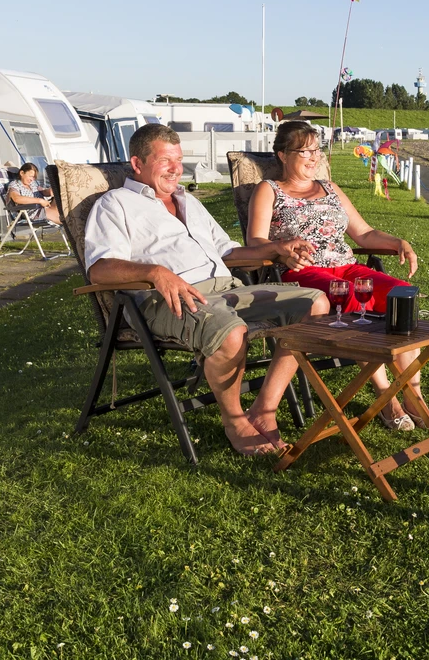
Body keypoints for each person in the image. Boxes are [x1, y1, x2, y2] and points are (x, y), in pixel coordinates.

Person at [84, 123, 330, 457]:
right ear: (138, 163)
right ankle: (235, 421)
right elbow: (99, 267)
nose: (176, 168)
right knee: (231, 334)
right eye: (165, 160)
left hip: (228, 287)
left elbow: (227, 252)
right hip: (170, 298)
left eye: (179, 159)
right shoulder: (116, 204)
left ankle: (264, 409)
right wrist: (156, 273)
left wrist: (277, 248)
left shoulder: (188, 200)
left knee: (315, 304)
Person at [247, 120, 429, 433]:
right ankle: (385, 396)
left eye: (316, 150)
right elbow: (254, 241)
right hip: (304, 272)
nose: (313, 157)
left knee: (401, 294)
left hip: (346, 265)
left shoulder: (330, 188)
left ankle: (413, 394)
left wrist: (398, 243)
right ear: (282, 155)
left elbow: (363, 233)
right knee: (348, 298)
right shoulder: (269, 191)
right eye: (304, 151)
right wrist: (281, 247)